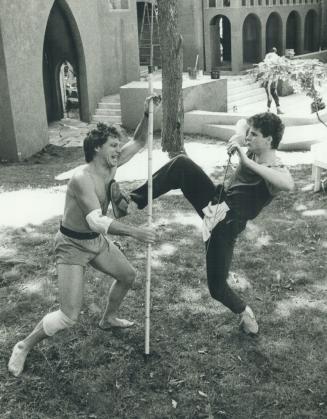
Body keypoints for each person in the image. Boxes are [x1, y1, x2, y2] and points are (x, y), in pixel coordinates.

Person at [8, 95, 161, 377]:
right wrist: (137, 233)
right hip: (72, 245)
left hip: (96, 241)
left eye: (118, 145)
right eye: (113, 145)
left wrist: (147, 113)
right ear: (97, 148)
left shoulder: (111, 165)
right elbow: (96, 220)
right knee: (68, 317)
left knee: (128, 276)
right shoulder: (82, 177)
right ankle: (24, 345)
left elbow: (139, 142)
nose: (118, 150)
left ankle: (108, 318)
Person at [114, 112, 294, 335]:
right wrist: (238, 138)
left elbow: (289, 185)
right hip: (215, 205)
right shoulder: (252, 147)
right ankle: (130, 203)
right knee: (181, 164)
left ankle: (244, 312)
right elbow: (240, 123)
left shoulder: (276, 170)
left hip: (226, 225)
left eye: (254, 135)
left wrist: (246, 161)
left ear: (269, 141)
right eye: (249, 134)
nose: (248, 137)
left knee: (217, 288)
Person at [263, 47, 284, 115]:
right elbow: (268, 85)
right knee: (270, 99)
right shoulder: (271, 74)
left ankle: (278, 110)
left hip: (272, 86)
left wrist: (275, 89)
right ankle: (267, 111)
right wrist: (269, 94)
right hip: (268, 86)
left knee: (276, 98)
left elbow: (276, 82)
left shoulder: (276, 74)